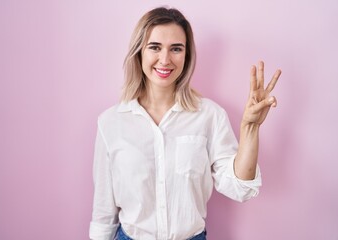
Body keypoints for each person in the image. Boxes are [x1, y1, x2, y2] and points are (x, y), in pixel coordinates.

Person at [89, 6, 281, 240]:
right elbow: (103, 214)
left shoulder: (210, 115)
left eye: (176, 49)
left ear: (186, 55)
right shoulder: (110, 122)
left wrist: (250, 128)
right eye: (155, 47)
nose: (165, 59)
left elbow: (240, 188)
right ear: (139, 52)